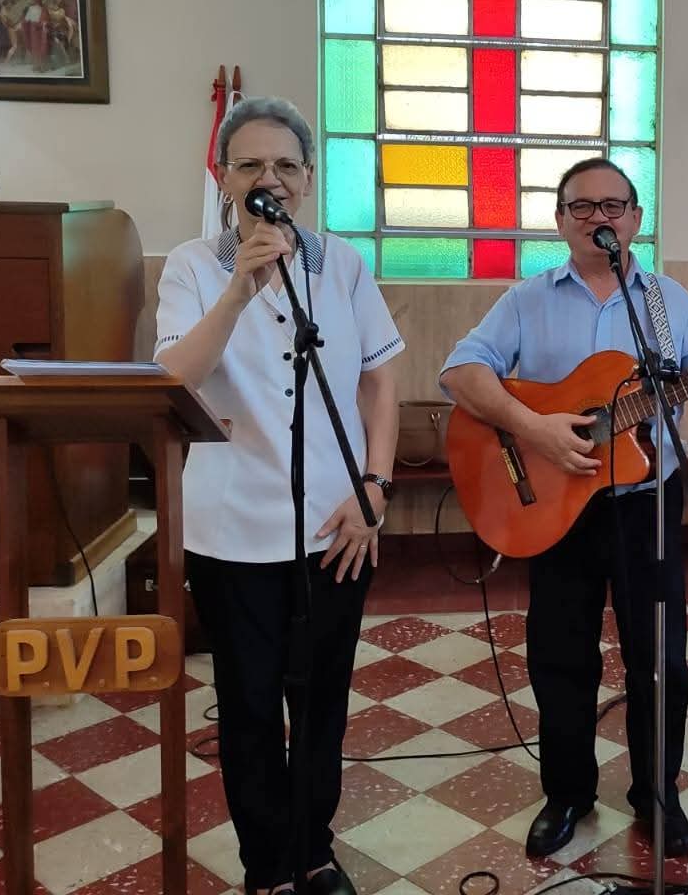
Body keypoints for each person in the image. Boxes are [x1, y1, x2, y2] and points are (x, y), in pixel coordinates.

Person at [440, 158, 688, 859]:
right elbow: (460, 371)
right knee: (561, 658)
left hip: (645, 505)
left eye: (613, 206)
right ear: (560, 220)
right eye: (582, 206)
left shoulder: (666, 301)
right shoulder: (527, 300)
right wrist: (536, 427)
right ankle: (567, 793)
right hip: (557, 506)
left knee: (660, 662)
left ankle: (657, 794)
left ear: (635, 218)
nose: (598, 217)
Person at [155, 97, 404, 895]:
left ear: (307, 178)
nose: (271, 178)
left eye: (286, 164)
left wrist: (375, 486)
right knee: (251, 702)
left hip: (337, 525)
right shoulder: (194, 265)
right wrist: (238, 288)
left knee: (322, 700)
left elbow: (379, 380)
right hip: (231, 529)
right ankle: (267, 864)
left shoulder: (342, 264)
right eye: (251, 164)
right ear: (224, 176)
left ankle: (314, 849)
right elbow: (174, 380)